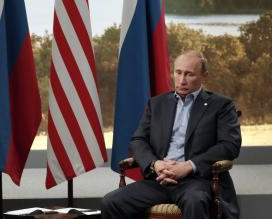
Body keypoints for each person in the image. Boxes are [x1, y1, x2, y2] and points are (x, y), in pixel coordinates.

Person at [101, 50, 241, 219]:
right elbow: (138, 140)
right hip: (159, 179)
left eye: (189, 74)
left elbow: (229, 145)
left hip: (197, 181)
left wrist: (188, 166)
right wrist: (156, 164)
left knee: (195, 201)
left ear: (204, 76)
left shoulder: (221, 105)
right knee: (111, 202)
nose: (182, 81)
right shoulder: (157, 103)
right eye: (178, 73)